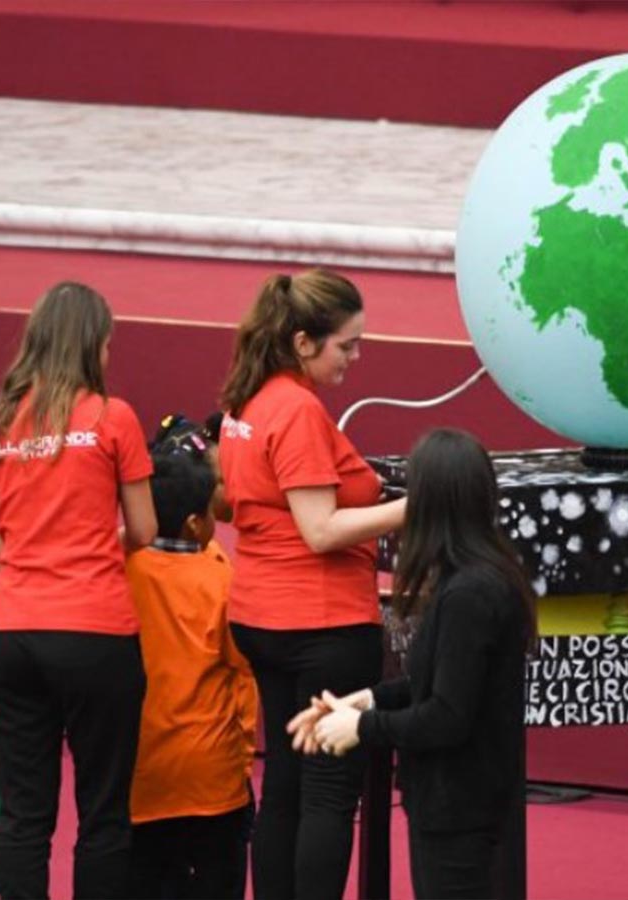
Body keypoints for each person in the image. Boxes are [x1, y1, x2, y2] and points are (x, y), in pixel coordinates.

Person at [216, 268, 406, 899]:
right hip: (319, 621)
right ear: (303, 342)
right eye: (346, 345)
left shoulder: (247, 400)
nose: (356, 356)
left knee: (285, 787)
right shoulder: (296, 410)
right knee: (325, 793)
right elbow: (321, 530)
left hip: (261, 614)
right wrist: (420, 505)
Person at [288, 428, 536, 900]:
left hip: (460, 804)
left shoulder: (470, 594)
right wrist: (366, 700)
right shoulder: (469, 580)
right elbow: (438, 680)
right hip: (453, 801)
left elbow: (447, 715)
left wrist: (363, 728)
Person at [0, 280, 156, 899]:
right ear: (93, 343)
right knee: (103, 810)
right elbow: (145, 529)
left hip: (15, 629)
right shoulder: (112, 417)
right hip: (95, 629)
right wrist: (95, 544)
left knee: (23, 814)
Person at [126, 452, 257, 899]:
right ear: (194, 524)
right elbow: (244, 673)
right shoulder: (222, 581)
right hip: (212, 777)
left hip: (140, 776)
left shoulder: (120, 572)